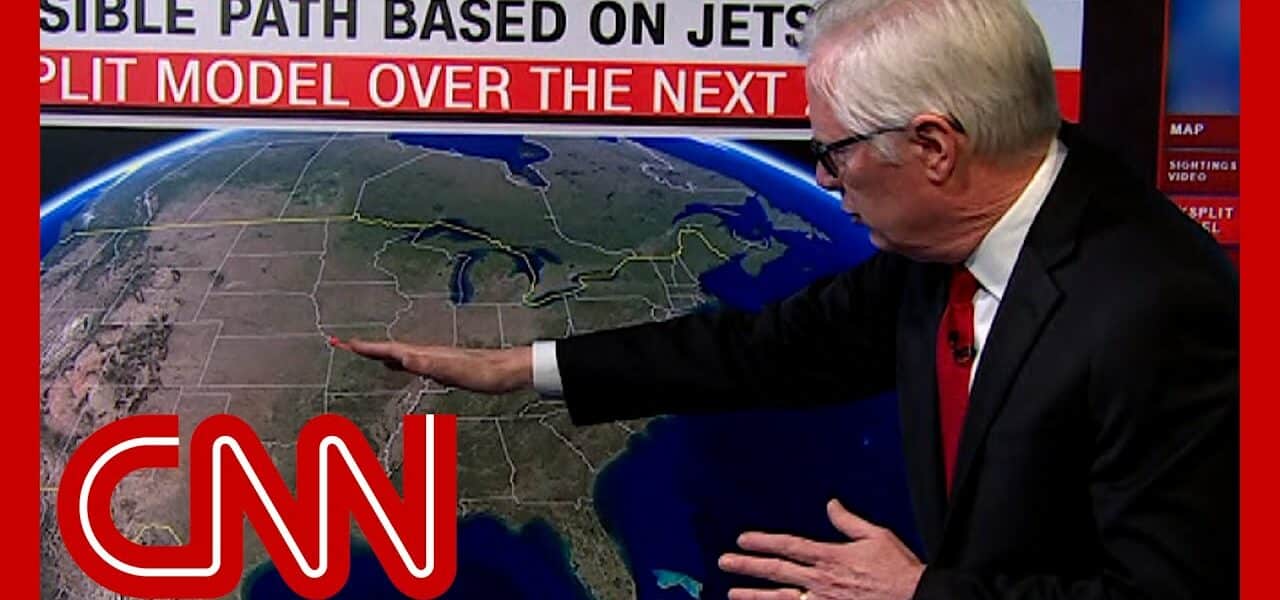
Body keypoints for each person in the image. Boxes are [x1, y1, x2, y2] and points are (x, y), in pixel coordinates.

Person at [334, 0, 1240, 597]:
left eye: (836, 153)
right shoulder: (944, 250)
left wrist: (920, 592)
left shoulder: (1156, 309)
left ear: (935, 148)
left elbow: (1172, 590)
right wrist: (517, 367)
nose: (827, 180)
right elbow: (764, 351)